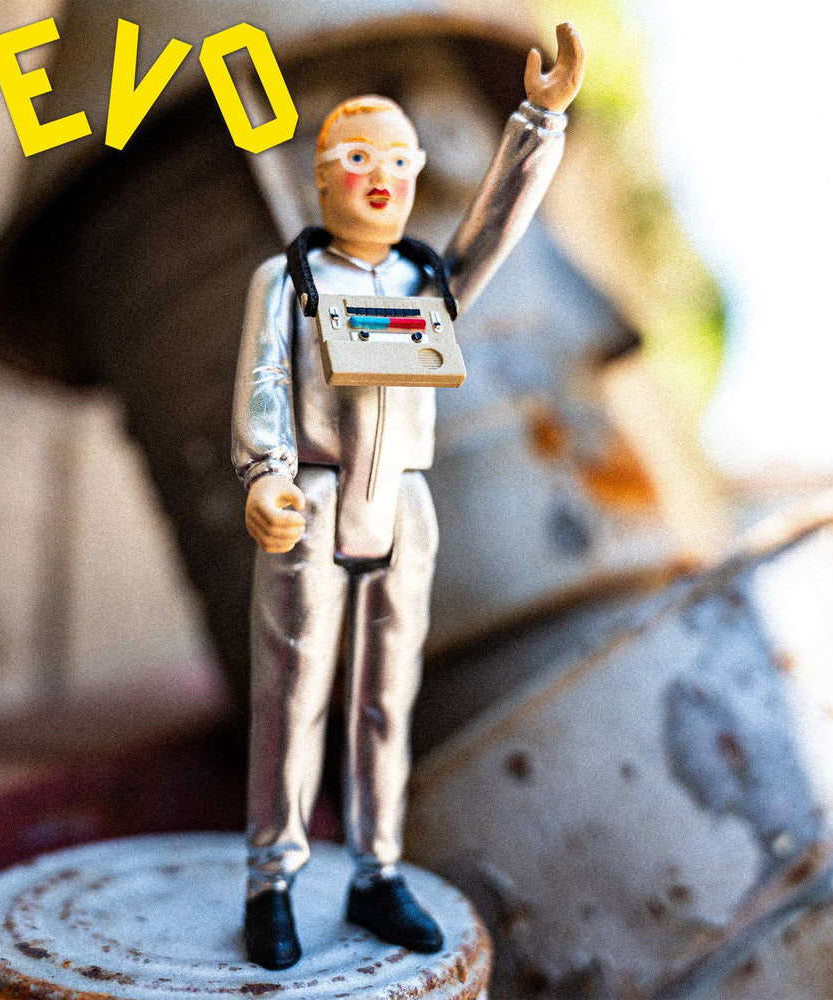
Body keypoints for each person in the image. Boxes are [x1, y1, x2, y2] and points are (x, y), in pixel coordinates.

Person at [232, 23, 585, 971]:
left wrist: (537, 123)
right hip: (313, 499)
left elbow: (494, 228)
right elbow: (263, 383)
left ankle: (377, 869)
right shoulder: (289, 278)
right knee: (292, 696)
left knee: (388, 698)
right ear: (321, 177)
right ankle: (272, 878)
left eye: (396, 157)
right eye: (356, 156)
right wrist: (266, 475)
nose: (379, 174)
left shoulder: (427, 279)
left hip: (404, 505)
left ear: (418, 171)